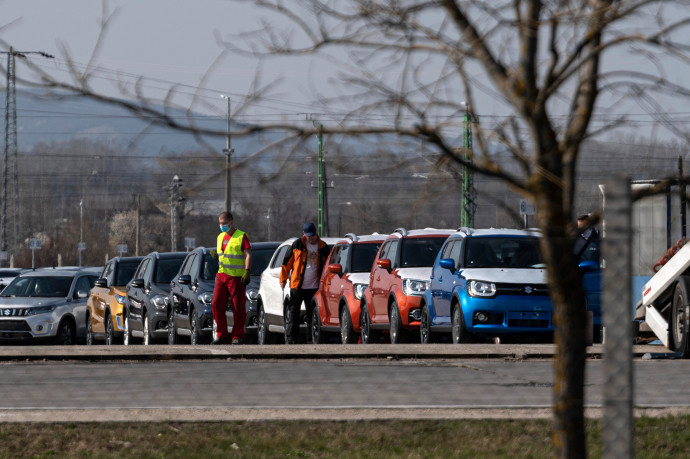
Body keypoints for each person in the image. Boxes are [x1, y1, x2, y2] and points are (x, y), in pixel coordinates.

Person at [279, 222, 331, 344]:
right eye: (308, 236)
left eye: (313, 236)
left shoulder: (323, 247)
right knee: (293, 313)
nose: (311, 239)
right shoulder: (297, 245)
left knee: (311, 314)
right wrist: (283, 279)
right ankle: (291, 339)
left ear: (316, 234)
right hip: (297, 286)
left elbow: (328, 266)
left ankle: (311, 339)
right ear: (304, 234)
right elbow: (286, 263)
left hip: (314, 288)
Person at [210, 211, 252, 345]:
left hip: (236, 278)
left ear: (231, 222)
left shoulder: (241, 236)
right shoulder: (220, 237)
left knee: (238, 308)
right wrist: (216, 255)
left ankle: (237, 336)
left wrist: (247, 271)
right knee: (216, 304)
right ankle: (222, 335)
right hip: (221, 276)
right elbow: (223, 254)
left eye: (224, 223)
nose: (222, 226)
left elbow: (248, 255)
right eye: (220, 224)